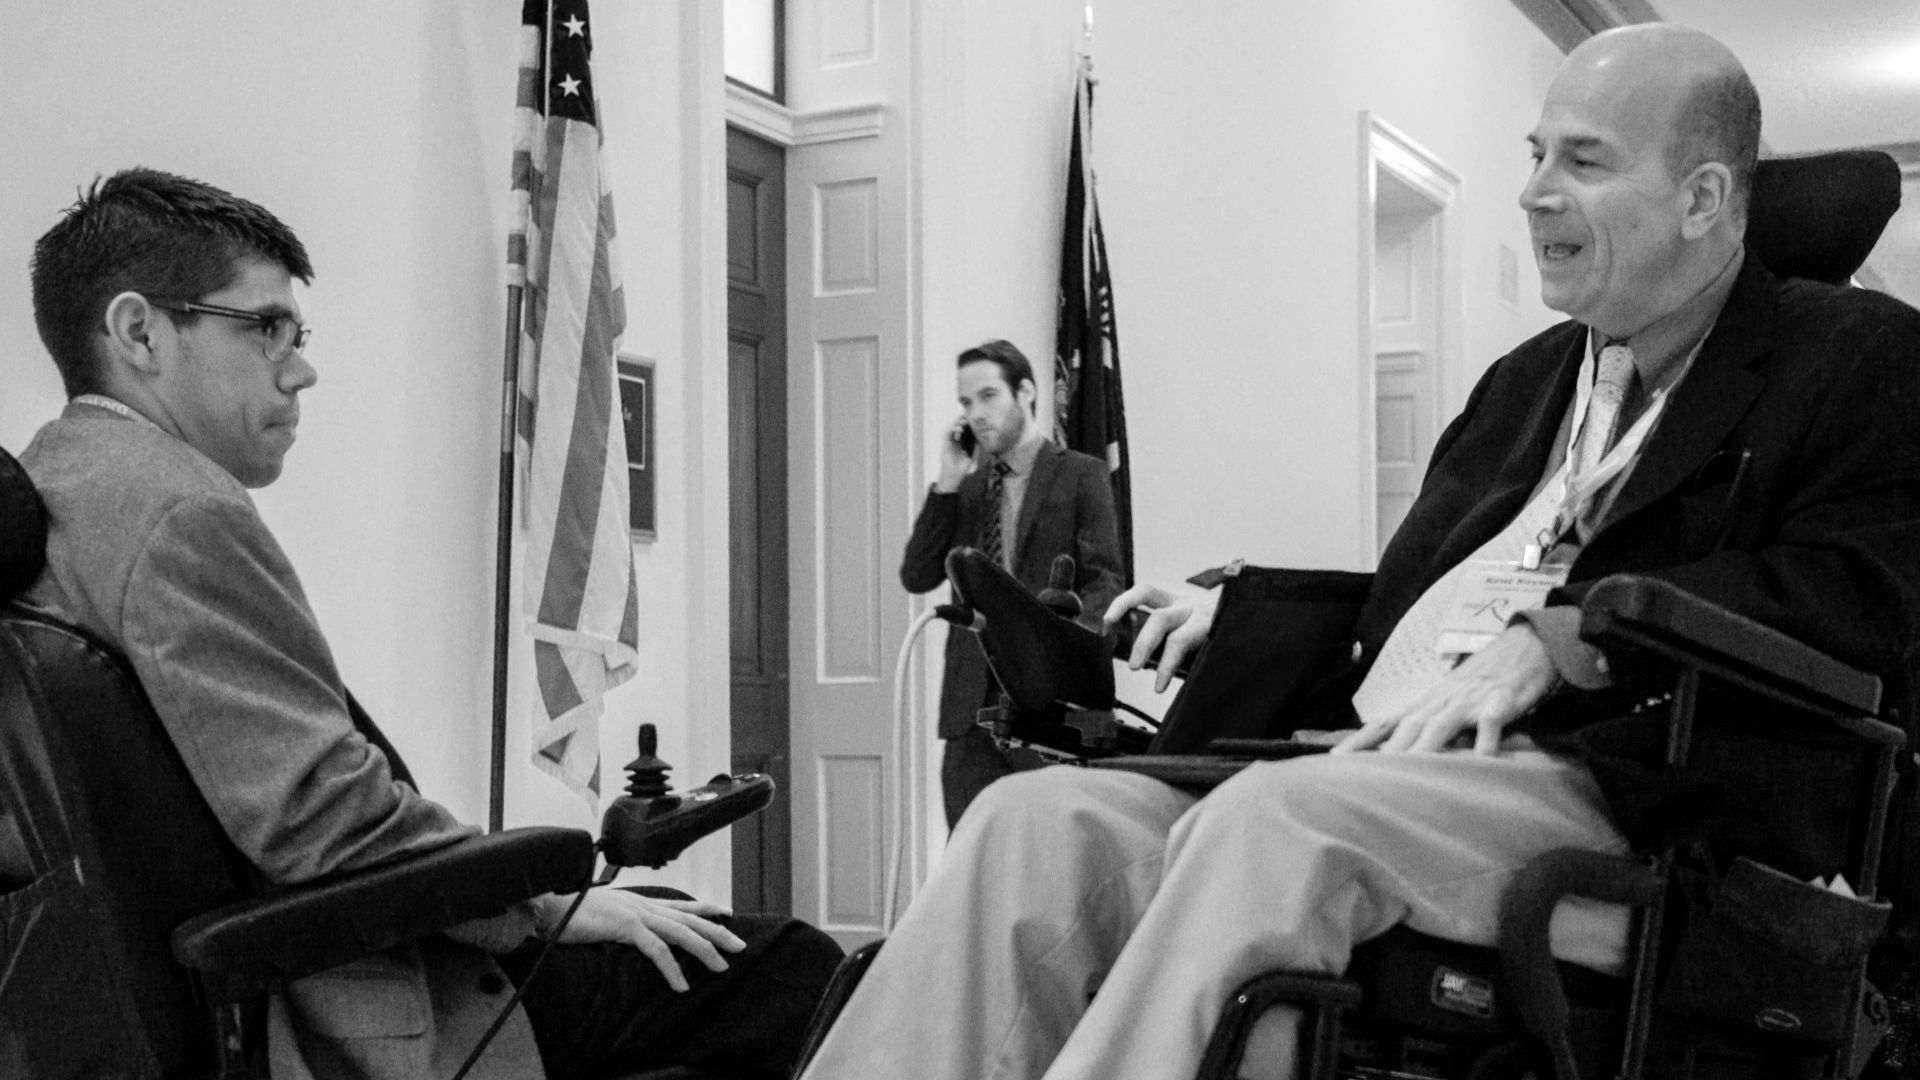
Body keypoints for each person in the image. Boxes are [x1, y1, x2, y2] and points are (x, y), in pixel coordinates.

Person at [799, 23, 1920, 1080]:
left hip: (1628, 785)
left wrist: (1575, 635)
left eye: (1584, 160)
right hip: (1386, 754)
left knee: (1271, 827)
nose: (1535, 191)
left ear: (1704, 196)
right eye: (1537, 154)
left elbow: (1863, 592)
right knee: (1032, 822)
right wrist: (1240, 617)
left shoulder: (1855, 357)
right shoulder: (1526, 383)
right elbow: (1416, 600)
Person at [17, 167, 842, 1080]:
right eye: (265, 328)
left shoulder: (62, 484)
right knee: (789, 969)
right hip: (351, 1010)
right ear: (139, 332)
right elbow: (321, 823)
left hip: (222, 987)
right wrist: (543, 903)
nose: (301, 365)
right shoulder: (178, 514)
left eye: (300, 331)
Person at [900, 339, 1124, 827]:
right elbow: (917, 574)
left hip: (1051, 713)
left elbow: (1106, 582)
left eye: (988, 396)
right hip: (970, 718)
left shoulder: (1081, 475)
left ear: (1025, 392)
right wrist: (947, 482)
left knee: (1049, 863)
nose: (976, 414)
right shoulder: (967, 488)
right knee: (969, 867)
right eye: (966, 403)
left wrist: (1054, 649)